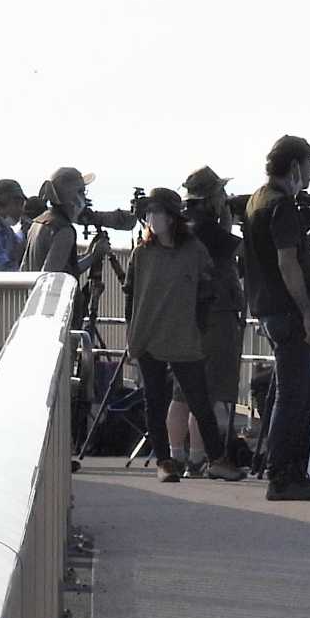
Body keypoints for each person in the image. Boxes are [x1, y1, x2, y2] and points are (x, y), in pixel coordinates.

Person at [127, 188, 245, 483]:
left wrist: (198, 325)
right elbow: (131, 295)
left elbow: (207, 290)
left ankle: (216, 459)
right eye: (149, 213)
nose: (152, 218)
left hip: (183, 335)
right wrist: (133, 334)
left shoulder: (193, 250)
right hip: (148, 334)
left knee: (200, 400)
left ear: (172, 216)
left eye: (158, 212)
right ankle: (165, 461)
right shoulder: (142, 253)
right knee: (154, 400)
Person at [241, 135, 310, 501]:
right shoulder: (282, 207)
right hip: (288, 311)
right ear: (294, 167)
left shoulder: (257, 202)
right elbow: (286, 263)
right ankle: (283, 476)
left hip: (266, 306)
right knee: (294, 396)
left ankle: (287, 472)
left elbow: (274, 251)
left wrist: (304, 240)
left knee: (290, 391)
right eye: (309, 165)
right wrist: (309, 313)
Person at [177, 166, 245, 472]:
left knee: (182, 393)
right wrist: (229, 224)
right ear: (209, 198)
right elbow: (244, 252)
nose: (225, 199)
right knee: (210, 390)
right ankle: (203, 455)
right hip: (216, 315)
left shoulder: (182, 225)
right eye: (220, 194)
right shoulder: (208, 229)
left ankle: (177, 455)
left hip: (187, 315)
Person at [22, 166, 132, 277]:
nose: (84, 197)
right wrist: (93, 256)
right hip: (51, 294)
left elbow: (62, 264)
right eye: (81, 192)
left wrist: (88, 253)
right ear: (71, 196)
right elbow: (51, 276)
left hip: (32, 293)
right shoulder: (63, 230)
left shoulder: (38, 222)